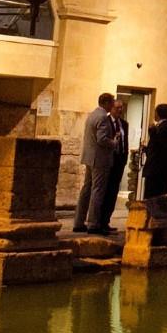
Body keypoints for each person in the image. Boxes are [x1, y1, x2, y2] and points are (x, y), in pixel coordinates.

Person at [72, 93, 118, 234]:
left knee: (86, 190)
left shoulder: (92, 115)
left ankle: (79, 222)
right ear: (106, 103)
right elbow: (102, 139)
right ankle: (93, 223)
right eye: (112, 102)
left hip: (90, 157)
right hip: (100, 159)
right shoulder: (103, 117)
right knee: (97, 190)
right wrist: (114, 142)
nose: (113, 105)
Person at [97, 108, 131, 232]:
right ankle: (99, 221)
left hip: (119, 162)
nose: (120, 110)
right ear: (111, 109)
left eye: (122, 108)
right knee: (105, 191)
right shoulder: (105, 121)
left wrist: (125, 157)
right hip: (108, 161)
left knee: (113, 192)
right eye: (117, 108)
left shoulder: (124, 124)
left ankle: (106, 221)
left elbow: (124, 142)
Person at [141, 104, 167, 199]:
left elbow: (159, 148)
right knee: (162, 195)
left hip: (155, 169)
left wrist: (152, 133)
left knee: (152, 197)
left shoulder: (162, 128)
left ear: (158, 114)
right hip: (166, 169)